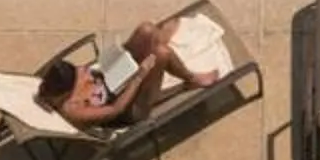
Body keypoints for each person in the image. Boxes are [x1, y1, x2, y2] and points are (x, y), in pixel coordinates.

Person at [34, 17, 208, 129]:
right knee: (161, 54)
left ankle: (156, 39)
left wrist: (114, 57)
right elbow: (115, 109)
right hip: (131, 108)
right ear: (64, 94)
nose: (79, 73)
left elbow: (85, 70)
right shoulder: (73, 110)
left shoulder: (56, 84)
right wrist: (139, 76)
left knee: (146, 29)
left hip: (115, 79)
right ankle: (192, 79)